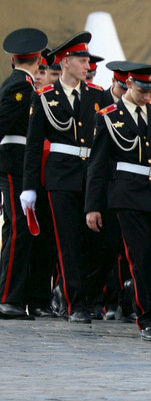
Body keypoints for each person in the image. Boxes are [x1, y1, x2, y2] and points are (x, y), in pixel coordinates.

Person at [85, 64, 151, 342]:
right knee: (141, 257)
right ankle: (147, 319)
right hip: (126, 195)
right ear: (129, 85)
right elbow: (97, 165)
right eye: (142, 90)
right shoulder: (110, 117)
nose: (148, 97)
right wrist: (93, 206)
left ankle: (150, 295)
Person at [21, 31, 107, 323]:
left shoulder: (98, 96)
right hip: (60, 177)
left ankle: (86, 294)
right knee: (68, 242)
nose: (88, 66)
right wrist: (29, 187)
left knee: (95, 243)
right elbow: (33, 147)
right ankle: (75, 304)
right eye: (82, 60)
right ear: (66, 61)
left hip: (92, 176)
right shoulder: (44, 96)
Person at [0, 27, 47, 319]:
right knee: (18, 229)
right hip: (13, 164)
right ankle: (7, 298)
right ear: (39, 58)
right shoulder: (20, 87)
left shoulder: (19, 82)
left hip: (18, 164)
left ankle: (13, 296)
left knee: (19, 230)